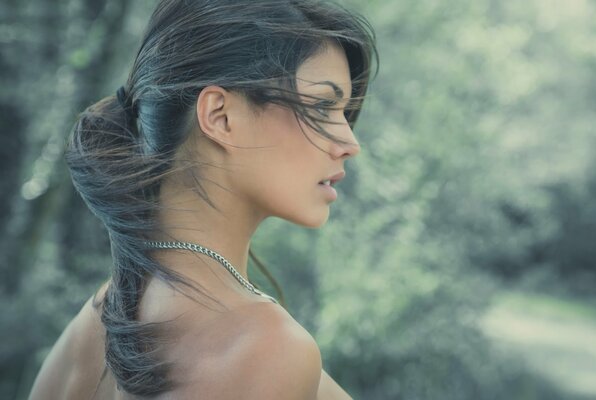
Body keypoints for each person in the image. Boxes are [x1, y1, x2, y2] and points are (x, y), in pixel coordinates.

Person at [28, 0, 377, 398]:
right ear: (220, 116)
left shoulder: (107, 316)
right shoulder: (267, 346)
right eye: (321, 107)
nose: (350, 143)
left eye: (344, 113)